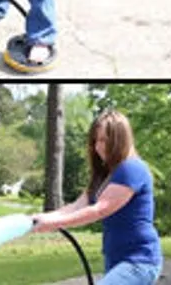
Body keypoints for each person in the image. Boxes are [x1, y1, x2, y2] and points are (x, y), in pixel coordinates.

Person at [31, 110, 163, 285]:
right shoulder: (105, 175)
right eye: (95, 141)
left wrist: (53, 224)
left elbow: (99, 210)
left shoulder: (132, 169)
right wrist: (39, 219)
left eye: (103, 140)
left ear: (119, 140)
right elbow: (76, 206)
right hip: (116, 261)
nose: (97, 147)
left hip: (139, 261)